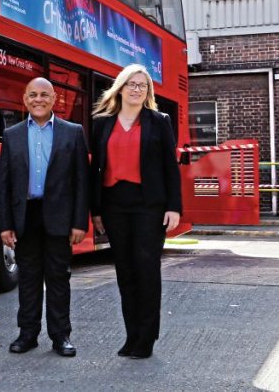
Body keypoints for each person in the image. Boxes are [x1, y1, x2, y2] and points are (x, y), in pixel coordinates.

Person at [90, 64, 181, 360]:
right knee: (125, 273)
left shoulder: (159, 121)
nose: (137, 89)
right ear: (120, 87)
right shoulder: (102, 123)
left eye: (142, 85)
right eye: (131, 83)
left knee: (146, 270)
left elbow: (171, 167)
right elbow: (95, 170)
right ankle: (131, 336)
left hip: (148, 205)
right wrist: (96, 210)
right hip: (114, 203)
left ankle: (146, 338)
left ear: (148, 91)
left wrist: (174, 207)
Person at [0, 77, 89, 358]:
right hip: (26, 215)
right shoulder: (11, 135)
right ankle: (27, 334)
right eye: (33, 95)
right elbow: (4, 184)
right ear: (25, 99)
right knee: (28, 279)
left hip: (59, 217)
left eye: (44, 95)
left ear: (54, 99)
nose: (38, 99)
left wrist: (79, 222)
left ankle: (61, 336)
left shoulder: (72, 132)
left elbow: (81, 182)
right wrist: (5, 225)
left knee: (59, 278)